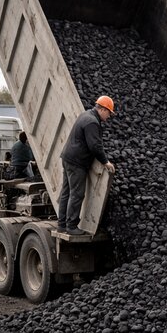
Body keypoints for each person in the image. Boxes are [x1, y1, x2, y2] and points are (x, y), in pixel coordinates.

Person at [57, 95, 116, 235]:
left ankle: (62, 225)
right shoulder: (92, 122)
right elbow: (95, 146)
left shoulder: (85, 115)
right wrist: (105, 161)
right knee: (77, 194)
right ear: (102, 109)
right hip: (77, 162)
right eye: (109, 113)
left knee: (66, 192)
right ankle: (71, 226)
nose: (109, 116)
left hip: (67, 158)